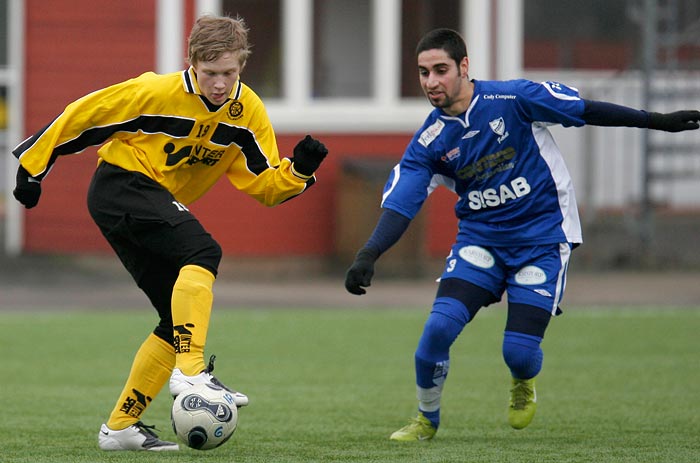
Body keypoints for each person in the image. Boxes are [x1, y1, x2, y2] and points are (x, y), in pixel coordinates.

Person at [344, 28, 699, 441]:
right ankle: (426, 420)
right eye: (423, 73)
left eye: (440, 70)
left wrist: (657, 121)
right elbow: (401, 204)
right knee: (436, 332)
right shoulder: (430, 140)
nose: (431, 82)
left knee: (519, 352)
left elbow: (584, 110)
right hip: (482, 242)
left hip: (543, 238)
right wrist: (368, 254)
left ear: (464, 67)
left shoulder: (512, 99)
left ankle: (523, 380)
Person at [12, 15, 328, 451]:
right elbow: (85, 114)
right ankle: (192, 371)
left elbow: (264, 185)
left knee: (172, 320)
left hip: (146, 201)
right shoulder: (155, 91)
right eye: (210, 73)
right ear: (192, 63)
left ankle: (121, 427)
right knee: (203, 250)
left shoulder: (247, 111)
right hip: (120, 185)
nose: (219, 84)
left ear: (242, 67)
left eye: (229, 73)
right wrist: (33, 166)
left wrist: (298, 171)